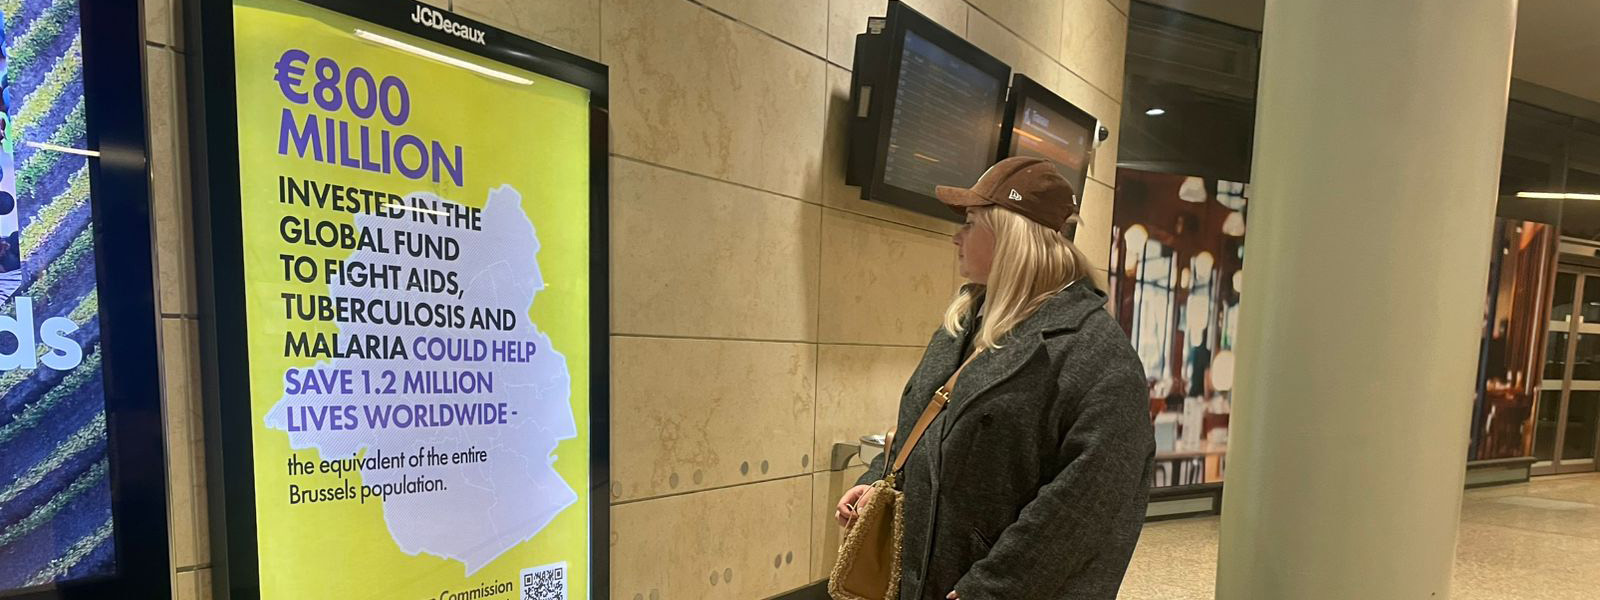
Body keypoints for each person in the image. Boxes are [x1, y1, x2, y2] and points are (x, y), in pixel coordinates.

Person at [835, 157, 1154, 599]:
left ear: (1011, 236)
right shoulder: (966, 322)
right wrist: (879, 480)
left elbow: (1087, 506)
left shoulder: (1096, 354)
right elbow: (923, 427)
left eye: (970, 222)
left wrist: (990, 589)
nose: (956, 237)